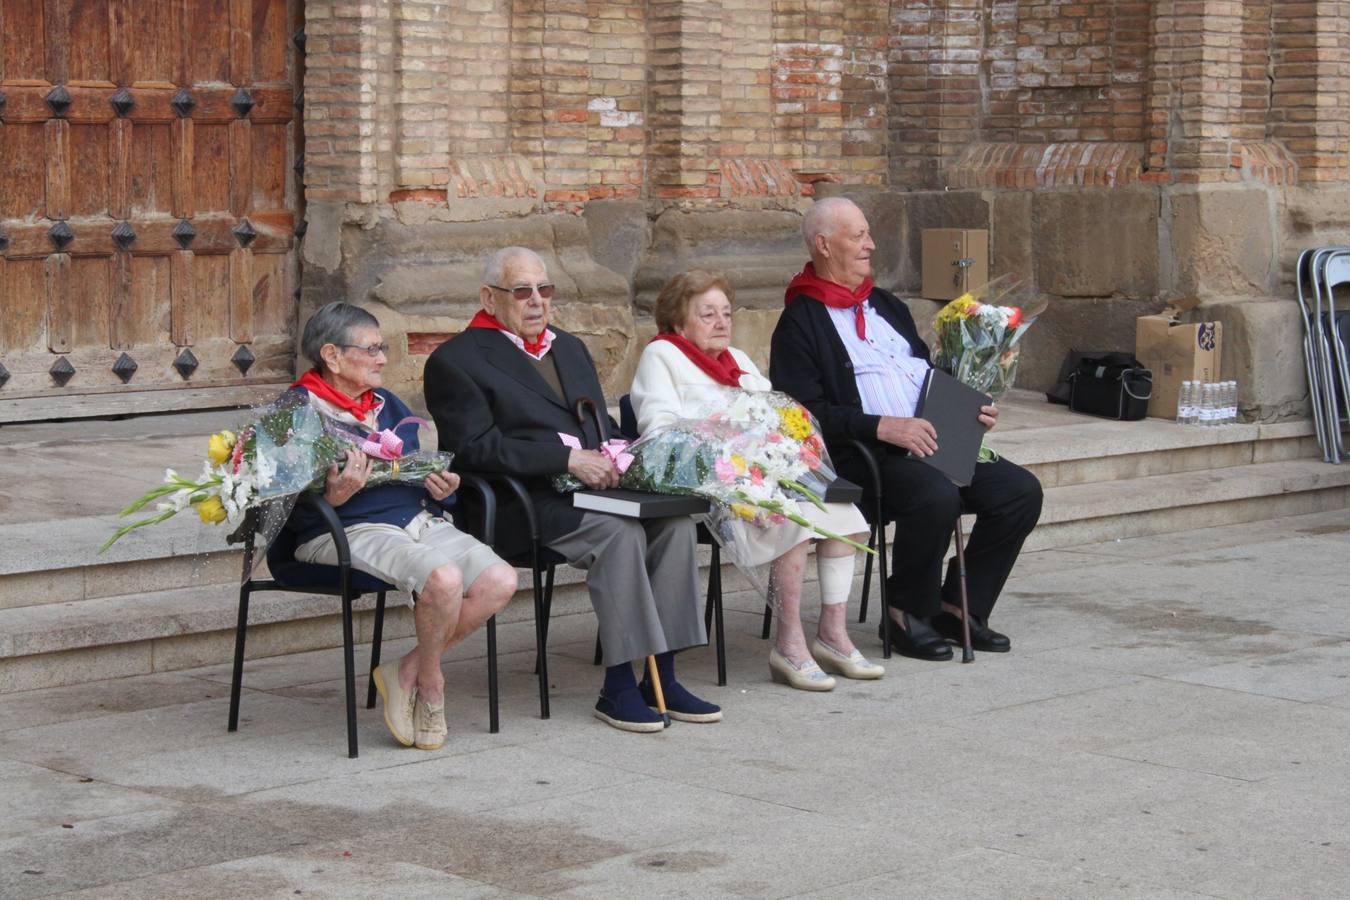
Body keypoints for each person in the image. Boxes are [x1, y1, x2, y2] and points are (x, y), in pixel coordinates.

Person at [424, 247, 722, 733]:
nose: (537, 301)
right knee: (621, 532)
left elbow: (596, 422)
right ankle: (620, 686)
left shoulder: (569, 346)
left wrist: (625, 453)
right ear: (489, 297)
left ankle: (662, 676)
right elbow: (472, 448)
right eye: (522, 291)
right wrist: (565, 460)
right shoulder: (456, 360)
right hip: (521, 503)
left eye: (545, 290)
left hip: (595, 490)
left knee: (672, 523)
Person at [770, 198, 1043, 660]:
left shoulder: (885, 305)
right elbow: (803, 414)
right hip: (863, 456)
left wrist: (968, 405)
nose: (870, 244)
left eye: (867, 234)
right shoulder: (799, 323)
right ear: (823, 244)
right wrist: (882, 427)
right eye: (857, 236)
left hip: (930, 440)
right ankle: (904, 611)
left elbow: (925, 371)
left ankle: (958, 607)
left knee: (1019, 491)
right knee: (936, 494)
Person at [630, 269, 883, 691]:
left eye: (726, 313)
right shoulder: (662, 356)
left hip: (763, 475)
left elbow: (774, 416)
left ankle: (833, 636)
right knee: (795, 523)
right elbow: (657, 430)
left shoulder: (739, 360)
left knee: (844, 515)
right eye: (707, 314)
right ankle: (789, 645)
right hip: (711, 485)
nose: (721, 322)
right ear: (678, 321)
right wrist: (724, 441)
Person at [287, 302, 518, 751]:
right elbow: (281, 509)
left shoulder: (386, 403)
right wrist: (332, 498)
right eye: (371, 349)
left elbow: (411, 474)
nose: (382, 359)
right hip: (343, 529)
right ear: (332, 356)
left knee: (500, 580)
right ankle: (432, 685)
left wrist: (442, 488)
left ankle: (408, 670)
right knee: (443, 579)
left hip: (413, 519)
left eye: (383, 348)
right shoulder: (298, 410)